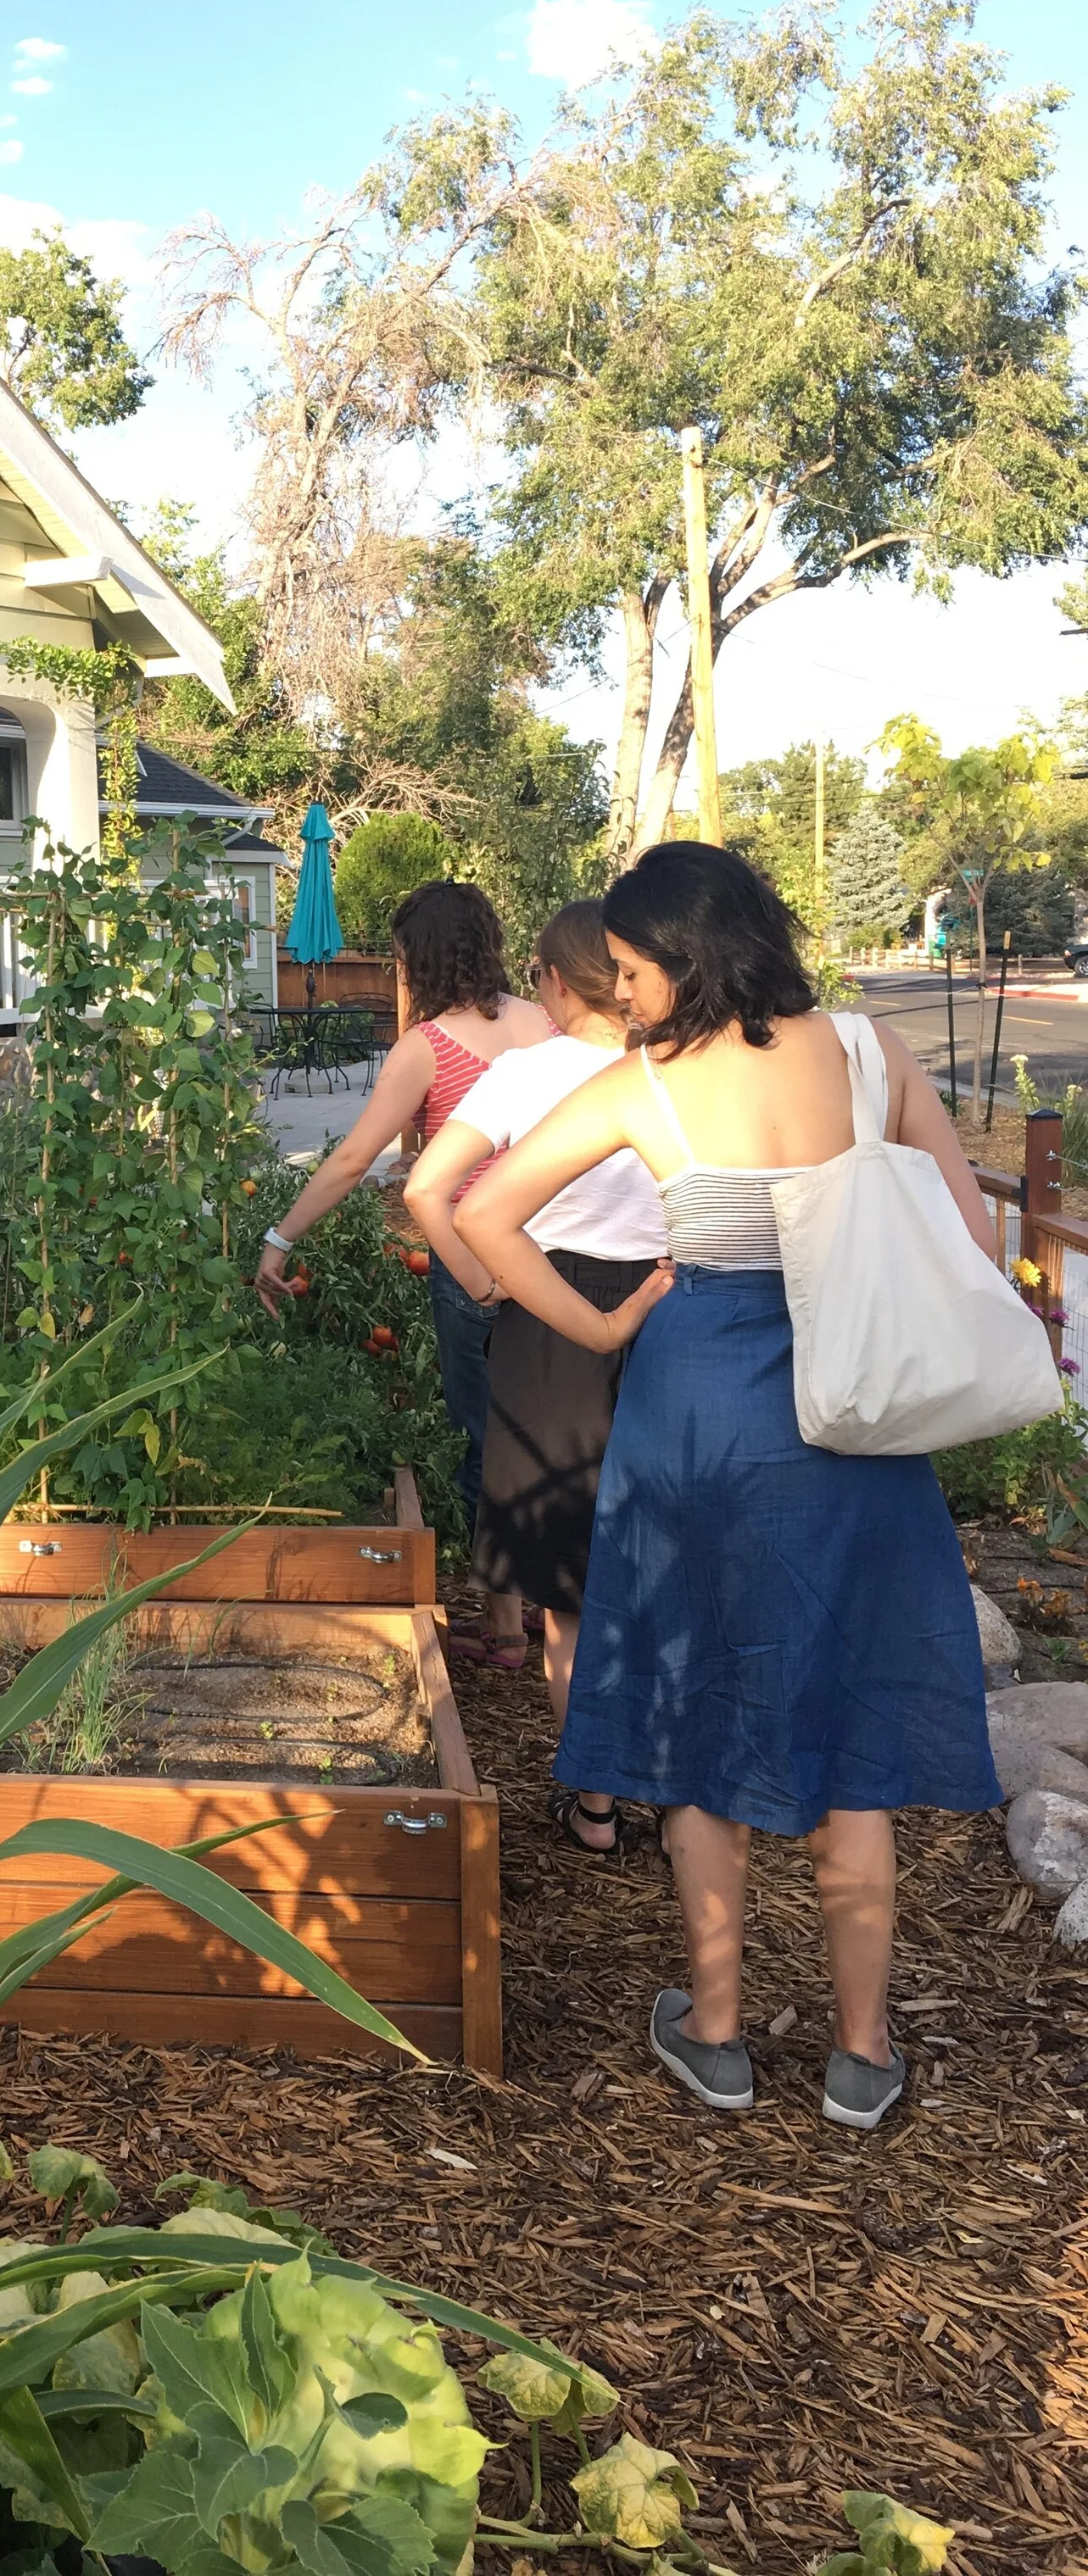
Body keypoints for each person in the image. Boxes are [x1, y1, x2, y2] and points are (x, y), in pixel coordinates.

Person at [455, 842, 1002, 2131]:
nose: (627, 992)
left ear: (684, 954)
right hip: (857, 1415)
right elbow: (969, 1228)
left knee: (704, 1711)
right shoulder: (869, 1054)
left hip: (701, 1417)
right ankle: (862, 2055)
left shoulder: (648, 1082)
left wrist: (596, 1332)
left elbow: (484, 1216)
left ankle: (717, 2031)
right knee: (852, 1725)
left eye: (635, 969)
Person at [402, 900, 668, 1854]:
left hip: (545, 1319)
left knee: (567, 1586)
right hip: (673, 1312)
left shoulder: (526, 1073)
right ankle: (687, 1793)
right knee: (668, 1561)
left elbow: (428, 1189)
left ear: (554, 982)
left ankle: (593, 1804)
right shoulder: (676, 1065)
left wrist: (484, 1285)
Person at [254, 878, 549, 1631]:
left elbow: (354, 1157)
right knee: (555, 1420)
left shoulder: (427, 1046)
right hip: (555, 1251)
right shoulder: (546, 1024)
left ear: (420, 959)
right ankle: (563, 1610)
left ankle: (506, 1623)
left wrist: (280, 1237)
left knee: (482, 1430)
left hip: (471, 1254)